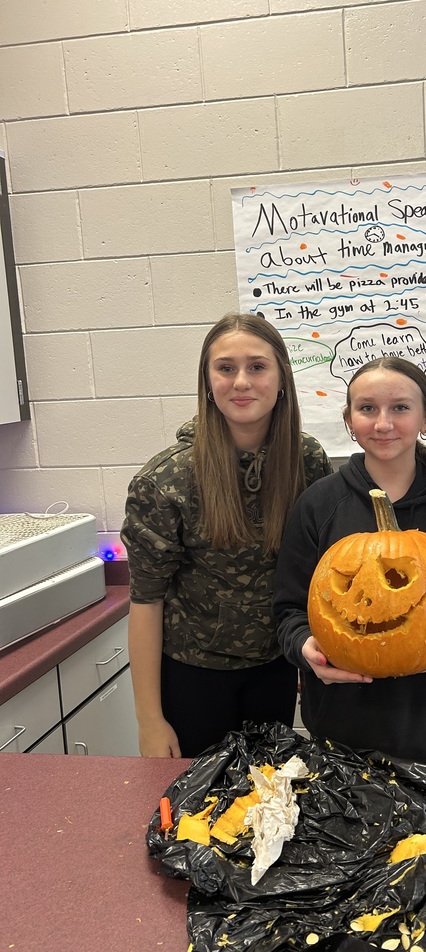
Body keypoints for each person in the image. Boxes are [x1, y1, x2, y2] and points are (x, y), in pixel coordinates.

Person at [273, 357, 426, 768]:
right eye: (367, 409)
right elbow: (289, 610)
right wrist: (304, 647)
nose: (383, 423)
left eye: (400, 407)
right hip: (341, 736)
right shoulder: (318, 505)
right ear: (349, 419)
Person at [121, 313, 333, 758]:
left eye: (257, 366)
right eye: (225, 368)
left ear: (281, 379)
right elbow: (145, 601)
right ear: (208, 380)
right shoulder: (167, 480)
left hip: (276, 668)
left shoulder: (306, 460)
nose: (241, 381)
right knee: (202, 812)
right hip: (193, 676)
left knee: (269, 806)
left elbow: (318, 571)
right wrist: (149, 720)